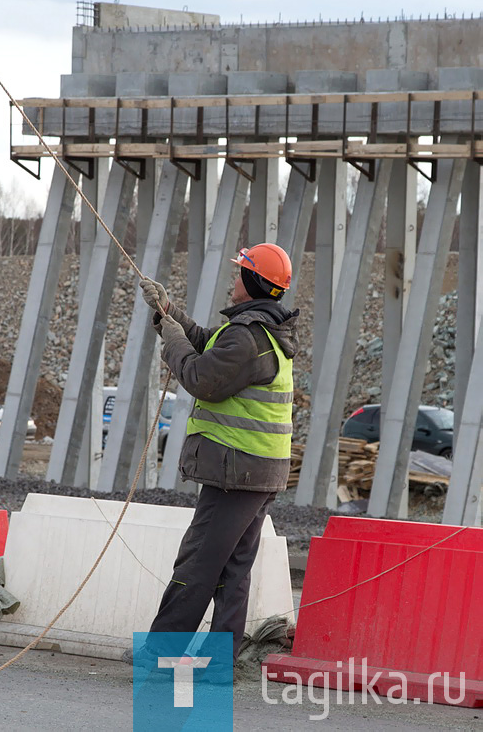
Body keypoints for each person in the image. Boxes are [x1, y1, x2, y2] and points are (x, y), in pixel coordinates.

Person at [133, 242, 299, 678]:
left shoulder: (247, 337)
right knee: (232, 567)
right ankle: (220, 662)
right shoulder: (256, 332)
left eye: (240, 272)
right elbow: (208, 345)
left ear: (252, 281)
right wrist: (169, 314)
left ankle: (159, 655)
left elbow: (202, 377)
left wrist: (171, 341)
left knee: (199, 564)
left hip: (237, 472)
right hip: (258, 471)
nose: (233, 278)